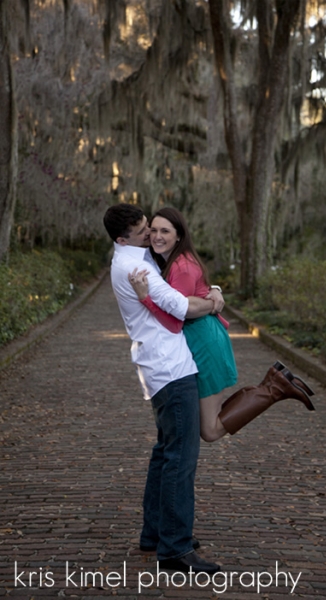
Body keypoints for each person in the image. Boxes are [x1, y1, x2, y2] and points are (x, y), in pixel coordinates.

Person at [103, 203, 222, 574]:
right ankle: (174, 549)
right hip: (171, 368)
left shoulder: (129, 257)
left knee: (165, 452)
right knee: (180, 459)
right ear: (123, 238)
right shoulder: (135, 265)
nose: (150, 236)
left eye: (151, 228)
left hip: (158, 367)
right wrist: (215, 301)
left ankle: (155, 533)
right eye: (143, 232)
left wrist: (212, 287)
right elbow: (181, 307)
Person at [128, 207, 315, 442]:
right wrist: (214, 289)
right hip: (200, 337)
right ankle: (272, 383)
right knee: (209, 421)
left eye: (165, 231)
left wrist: (145, 298)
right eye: (153, 230)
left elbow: (176, 319)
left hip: (204, 342)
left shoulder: (181, 266)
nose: (157, 236)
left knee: (210, 430)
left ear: (179, 235)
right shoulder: (169, 261)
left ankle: (274, 389)